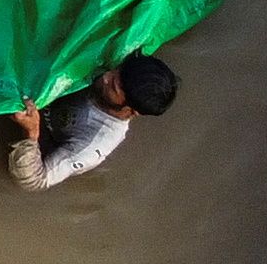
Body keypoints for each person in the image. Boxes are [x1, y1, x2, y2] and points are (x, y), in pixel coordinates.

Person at [9, 52, 179, 192]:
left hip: (42, 133)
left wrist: (31, 134)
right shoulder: (122, 61)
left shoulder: (93, 144)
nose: (105, 76)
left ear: (132, 111)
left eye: (113, 86)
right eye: (116, 71)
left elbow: (34, 181)